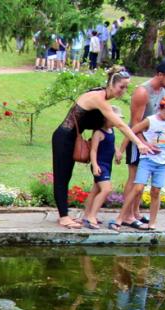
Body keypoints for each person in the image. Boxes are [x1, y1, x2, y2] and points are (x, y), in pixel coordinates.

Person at [50, 68, 153, 229]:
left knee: (67, 176)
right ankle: (63, 217)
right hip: (63, 137)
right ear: (112, 85)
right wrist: (139, 143)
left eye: (126, 88)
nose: (123, 91)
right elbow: (119, 124)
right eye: (121, 87)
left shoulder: (103, 98)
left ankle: (68, 214)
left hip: (72, 137)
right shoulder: (99, 98)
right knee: (62, 176)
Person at [120, 57, 165, 227]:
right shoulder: (142, 92)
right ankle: (127, 216)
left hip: (152, 144)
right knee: (134, 178)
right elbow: (135, 124)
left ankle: (136, 212)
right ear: (160, 74)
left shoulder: (162, 90)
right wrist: (143, 144)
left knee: (142, 180)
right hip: (137, 141)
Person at [112, 94, 165, 232]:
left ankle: (152, 222)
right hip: (147, 159)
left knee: (156, 191)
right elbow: (131, 132)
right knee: (138, 188)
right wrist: (121, 150)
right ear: (161, 108)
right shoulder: (150, 121)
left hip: (163, 162)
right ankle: (120, 218)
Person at [82, 105, 123, 229]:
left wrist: (117, 151)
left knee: (96, 190)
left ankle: (86, 215)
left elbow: (111, 143)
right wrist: (95, 165)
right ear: (106, 118)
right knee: (106, 189)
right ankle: (91, 216)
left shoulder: (111, 130)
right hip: (100, 165)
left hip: (107, 165)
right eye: (115, 118)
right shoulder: (98, 133)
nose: (117, 122)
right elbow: (93, 151)